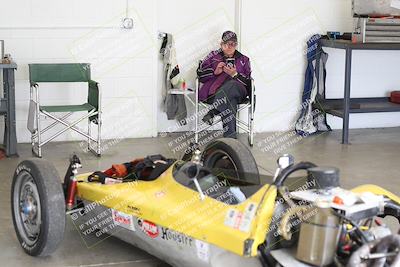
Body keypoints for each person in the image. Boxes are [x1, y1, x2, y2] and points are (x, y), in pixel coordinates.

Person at [197, 31, 252, 139]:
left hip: (239, 91)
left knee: (232, 83)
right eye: (226, 44)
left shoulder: (244, 59)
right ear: (221, 44)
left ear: (236, 45)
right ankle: (230, 140)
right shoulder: (213, 56)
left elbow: (248, 83)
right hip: (216, 93)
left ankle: (214, 111)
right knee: (230, 102)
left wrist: (235, 74)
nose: (229, 47)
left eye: (232, 44)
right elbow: (200, 75)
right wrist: (215, 72)